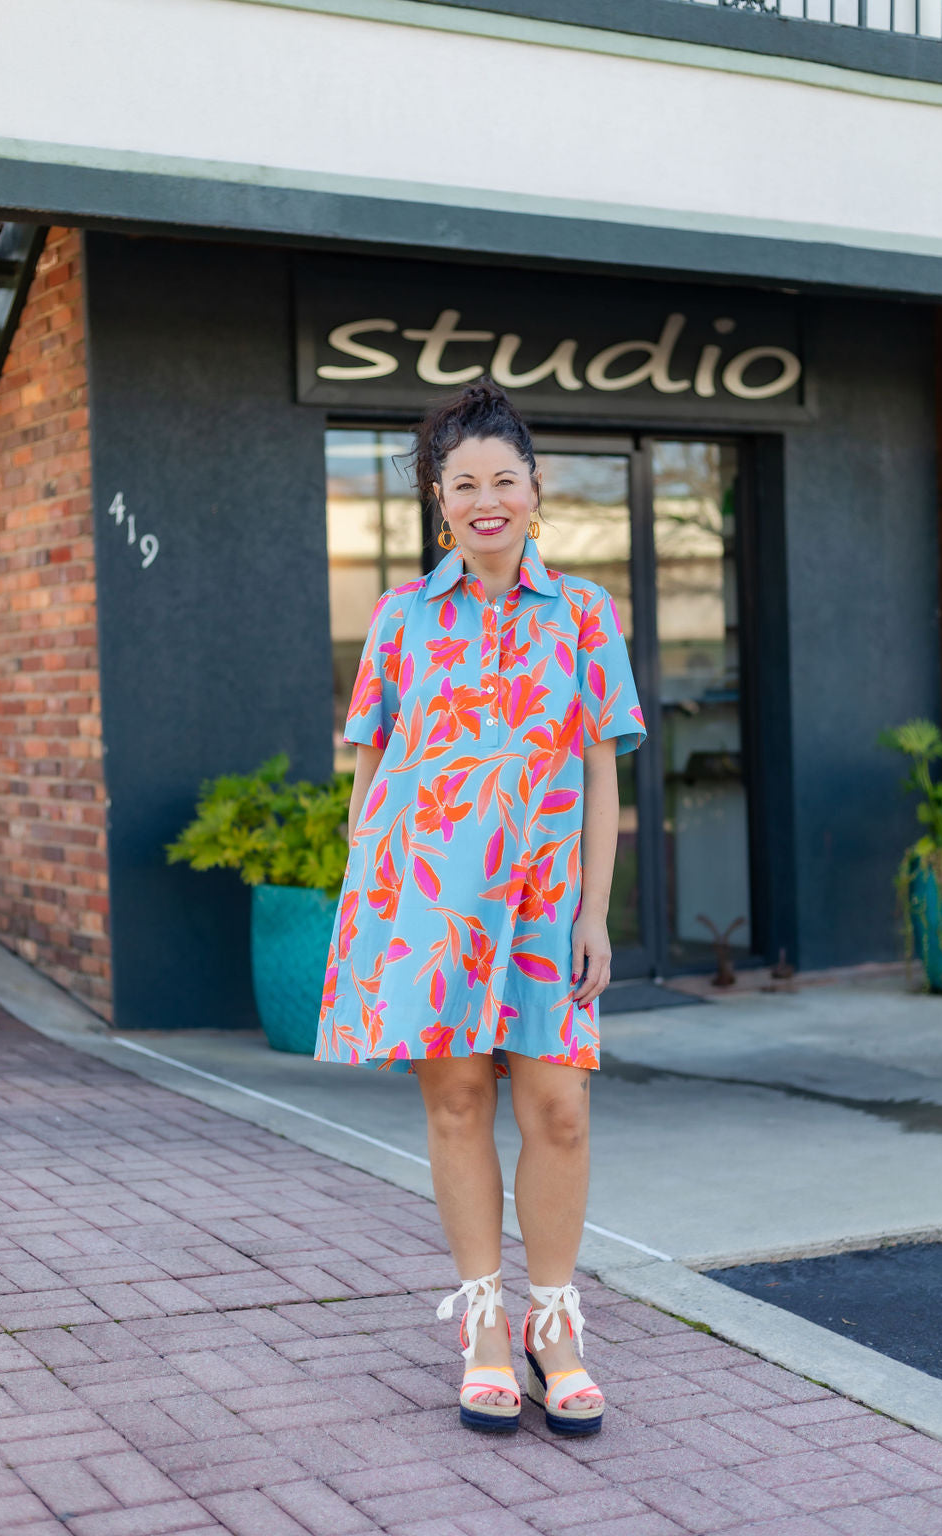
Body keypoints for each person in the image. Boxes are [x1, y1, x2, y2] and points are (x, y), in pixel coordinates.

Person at [316, 379, 646, 1436]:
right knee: (456, 1103)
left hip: (547, 905)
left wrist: (596, 910)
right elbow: (369, 765)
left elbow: (603, 773)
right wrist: (371, 907)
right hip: (427, 901)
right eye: (465, 484)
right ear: (438, 497)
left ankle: (557, 1326)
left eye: (505, 479)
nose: (487, 499)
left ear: (535, 488)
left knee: (559, 1108)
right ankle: (485, 1328)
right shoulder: (402, 615)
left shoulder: (587, 612)